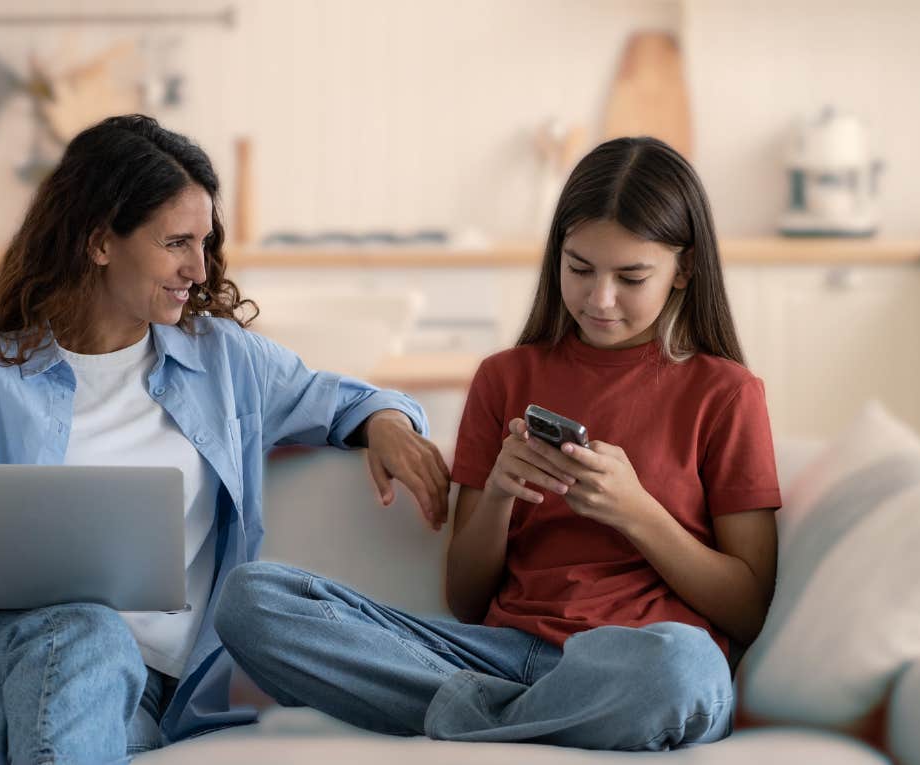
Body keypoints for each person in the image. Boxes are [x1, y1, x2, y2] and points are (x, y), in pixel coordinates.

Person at [0, 114, 451, 764]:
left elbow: (346, 398)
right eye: (176, 242)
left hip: (146, 688)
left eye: (205, 243)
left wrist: (387, 424)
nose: (199, 269)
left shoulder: (225, 363)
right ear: (100, 242)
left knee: (85, 709)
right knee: (89, 632)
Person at [215, 136, 782, 751]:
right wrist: (502, 495)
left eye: (631, 276)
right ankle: (526, 718)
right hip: (498, 655)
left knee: (684, 668)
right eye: (580, 268)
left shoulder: (726, 393)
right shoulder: (505, 378)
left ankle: (475, 721)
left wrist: (637, 512)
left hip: (638, 662)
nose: (600, 298)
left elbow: (747, 607)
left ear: (686, 269)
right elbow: (465, 598)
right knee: (251, 601)